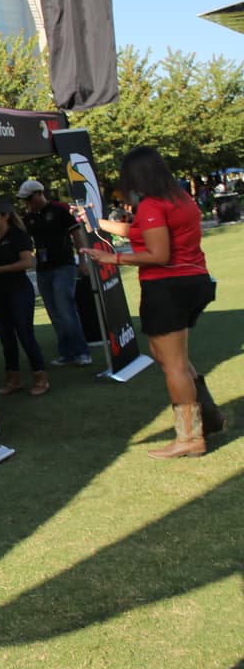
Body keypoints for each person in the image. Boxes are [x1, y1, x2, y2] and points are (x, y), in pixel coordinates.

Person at [80, 146, 221, 458]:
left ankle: (190, 437)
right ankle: (208, 417)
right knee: (166, 355)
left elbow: (158, 254)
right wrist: (98, 223)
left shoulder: (153, 204)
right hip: (190, 282)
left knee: (174, 364)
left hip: (168, 287)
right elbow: (143, 232)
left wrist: (111, 257)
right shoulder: (178, 198)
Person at [18, 179, 92, 367]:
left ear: (38, 194)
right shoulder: (30, 218)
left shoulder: (59, 211)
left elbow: (76, 235)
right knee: (54, 312)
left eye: (28, 199)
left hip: (63, 266)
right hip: (43, 269)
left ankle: (82, 351)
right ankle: (66, 352)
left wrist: (82, 261)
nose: (27, 203)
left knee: (66, 309)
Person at [0, 197, 49, 396]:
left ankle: (40, 377)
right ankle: (13, 379)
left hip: (18, 292)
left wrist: (0, 269)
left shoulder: (19, 236)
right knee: (6, 337)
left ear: (6, 216)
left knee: (25, 335)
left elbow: (27, 262)